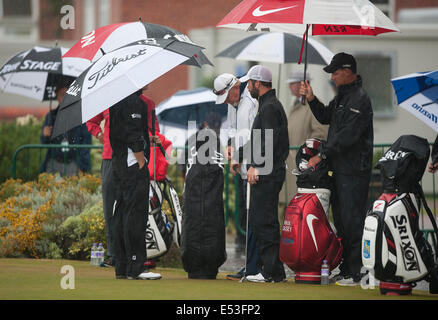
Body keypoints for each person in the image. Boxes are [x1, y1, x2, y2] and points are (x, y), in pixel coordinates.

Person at [299, 52, 374, 286]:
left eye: (335, 72)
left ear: (347, 71)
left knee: (353, 220)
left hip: (354, 171)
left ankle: (357, 271)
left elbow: (347, 137)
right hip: (340, 170)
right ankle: (347, 268)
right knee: (341, 219)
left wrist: (321, 155)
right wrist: (311, 98)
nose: (331, 76)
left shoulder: (360, 99)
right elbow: (324, 117)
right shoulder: (342, 96)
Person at [233, 65, 289, 283]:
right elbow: (258, 141)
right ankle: (275, 270)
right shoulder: (267, 105)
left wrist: (256, 166)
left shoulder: (269, 108)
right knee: (264, 220)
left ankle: (270, 271)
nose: (248, 86)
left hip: (267, 173)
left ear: (258, 83)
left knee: (263, 221)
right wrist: (241, 155)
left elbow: (269, 142)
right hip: (268, 171)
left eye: (250, 83)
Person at [109, 90, 161, 280]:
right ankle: (136, 267)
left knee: (122, 213)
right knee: (135, 215)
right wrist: (141, 160)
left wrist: (147, 140)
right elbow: (131, 134)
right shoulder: (134, 102)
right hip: (132, 166)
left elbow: (123, 131)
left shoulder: (116, 99)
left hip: (120, 164)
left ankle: (123, 266)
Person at [213, 73, 261, 281]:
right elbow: (234, 130)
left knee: (254, 220)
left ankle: (255, 267)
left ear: (235, 88)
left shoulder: (250, 103)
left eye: (226, 97)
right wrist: (231, 147)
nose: (226, 102)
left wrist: (241, 159)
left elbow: (254, 137)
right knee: (246, 218)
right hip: (244, 169)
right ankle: (250, 266)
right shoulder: (232, 104)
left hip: (254, 169)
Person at [279, 71, 328, 206]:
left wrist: (306, 154)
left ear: (302, 84)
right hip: (292, 164)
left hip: (306, 165)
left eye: (292, 83)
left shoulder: (312, 107)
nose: (289, 87)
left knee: (305, 205)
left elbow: (320, 134)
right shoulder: (295, 106)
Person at [41, 76, 91, 176]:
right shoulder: (50, 116)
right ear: (56, 96)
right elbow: (44, 142)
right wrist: (45, 135)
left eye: (67, 95)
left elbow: (86, 142)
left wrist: (82, 165)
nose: (64, 98)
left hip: (73, 162)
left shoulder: (80, 117)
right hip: (53, 161)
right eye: (61, 95)